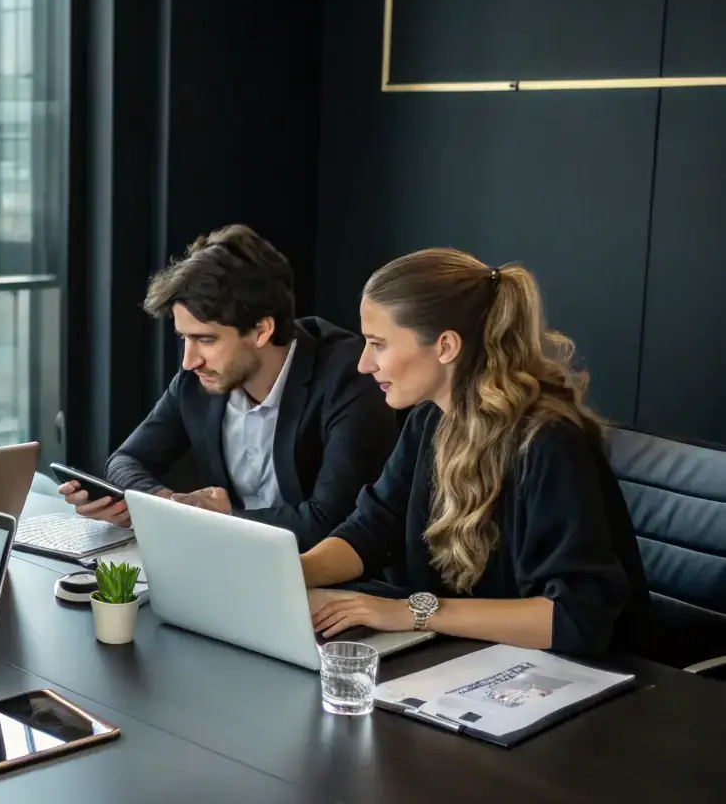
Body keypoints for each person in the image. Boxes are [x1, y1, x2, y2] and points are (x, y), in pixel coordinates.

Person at [300, 248, 650, 656]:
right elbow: (373, 527)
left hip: (589, 680)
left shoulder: (549, 443)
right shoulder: (429, 420)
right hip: (475, 657)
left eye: (378, 344)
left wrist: (412, 612)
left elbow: (574, 616)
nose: (363, 364)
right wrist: (289, 574)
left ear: (445, 346)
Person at [61, 224, 398, 550]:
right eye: (184, 338)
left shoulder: (351, 378)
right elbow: (125, 461)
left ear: (262, 330)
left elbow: (332, 522)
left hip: (329, 583)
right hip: (230, 563)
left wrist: (221, 519)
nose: (189, 360)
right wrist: (163, 504)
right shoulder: (199, 379)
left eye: (205, 339)